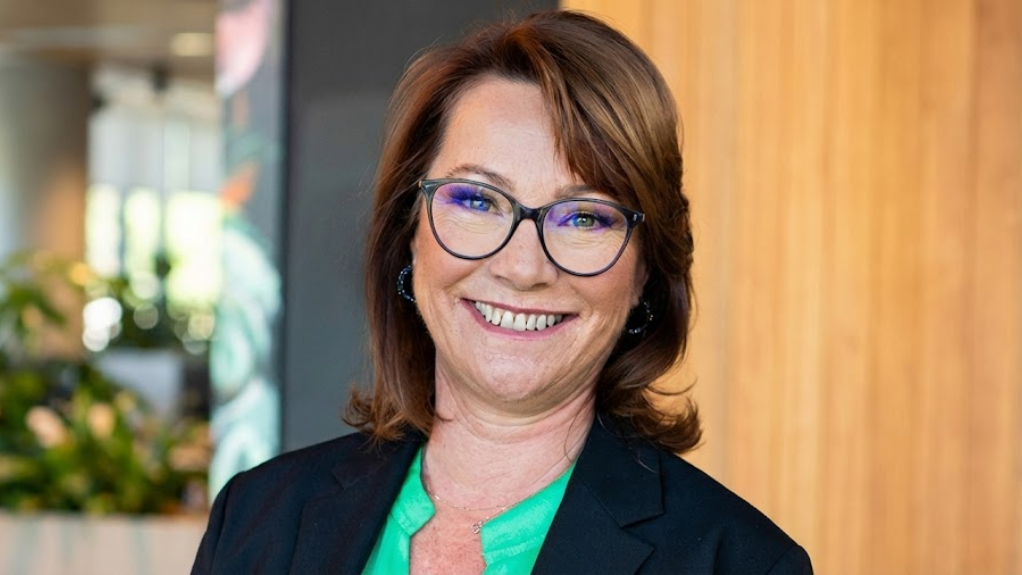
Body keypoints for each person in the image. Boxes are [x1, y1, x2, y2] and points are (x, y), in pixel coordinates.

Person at [192, 9, 812, 574]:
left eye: (585, 217)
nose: (523, 267)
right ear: (410, 235)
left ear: (646, 269)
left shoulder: (740, 563)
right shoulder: (257, 520)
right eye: (477, 200)